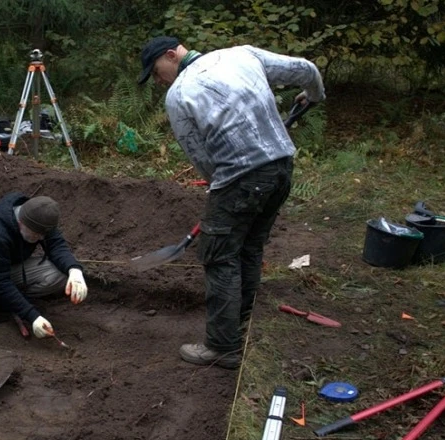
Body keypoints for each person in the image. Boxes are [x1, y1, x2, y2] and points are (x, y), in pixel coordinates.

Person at [137, 36, 325, 368]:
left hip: (240, 178)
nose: (158, 80)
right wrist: (314, 95)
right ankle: (243, 325)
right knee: (249, 247)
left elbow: (199, 154)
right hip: (281, 169)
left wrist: (218, 187)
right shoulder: (242, 55)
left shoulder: (179, 94)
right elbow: (306, 69)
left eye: (155, 71)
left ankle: (222, 346)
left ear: (170, 55)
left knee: (219, 255)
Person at [0, 192, 88, 344]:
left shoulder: (39, 218)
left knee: (61, 273)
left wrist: (75, 271)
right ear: (21, 222)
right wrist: (32, 316)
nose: (40, 239)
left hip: (5, 270)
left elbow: (56, 246)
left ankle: (6, 304)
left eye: (43, 235)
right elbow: (1, 282)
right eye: (36, 234)